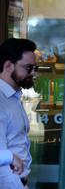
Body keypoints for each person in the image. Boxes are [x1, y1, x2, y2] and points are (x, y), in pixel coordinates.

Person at [0, 38, 37, 189]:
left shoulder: (14, 97)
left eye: (35, 67)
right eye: (29, 67)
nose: (34, 73)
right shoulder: (2, 101)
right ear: (8, 66)